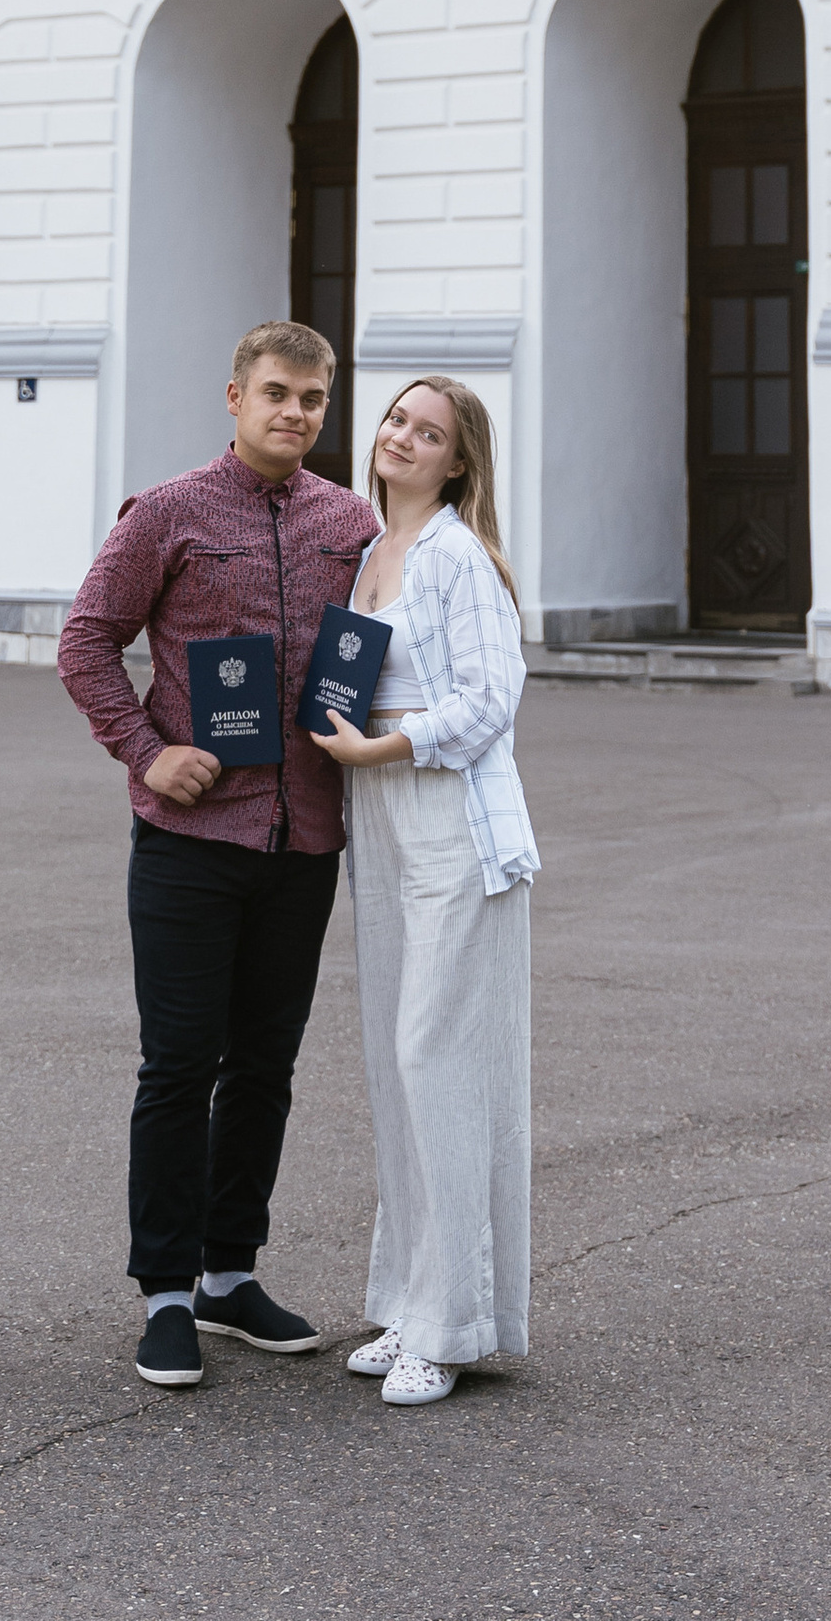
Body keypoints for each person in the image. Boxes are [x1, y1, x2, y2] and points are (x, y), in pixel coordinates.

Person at [57, 320, 379, 1392]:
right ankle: (163, 1293)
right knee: (178, 1065)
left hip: (304, 841)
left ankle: (230, 1275)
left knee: (265, 1069)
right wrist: (149, 755)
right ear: (233, 397)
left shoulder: (352, 521)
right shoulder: (168, 515)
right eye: (277, 393)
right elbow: (86, 640)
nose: (295, 413)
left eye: (314, 400)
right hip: (191, 842)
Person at [307, 371, 537, 1408]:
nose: (401, 436)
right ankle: (408, 1300)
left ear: (457, 461)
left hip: (450, 824)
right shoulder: (366, 552)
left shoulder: (455, 556)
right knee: (393, 1066)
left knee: (435, 1058)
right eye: (397, 419)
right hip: (380, 824)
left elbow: (493, 698)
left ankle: (451, 1327)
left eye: (428, 431)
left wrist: (391, 743)